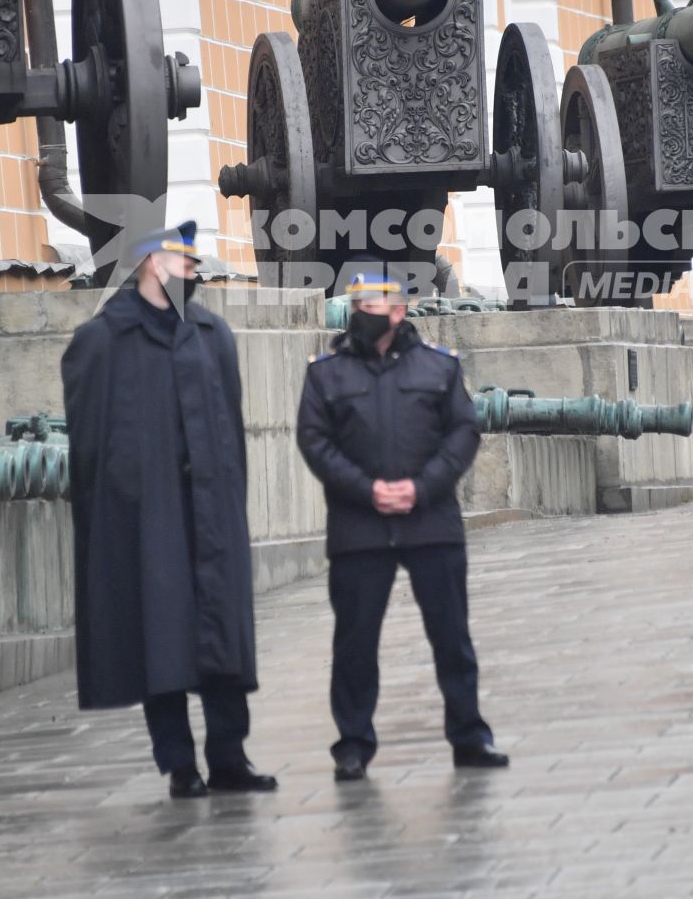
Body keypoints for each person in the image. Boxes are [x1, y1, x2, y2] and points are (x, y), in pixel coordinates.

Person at [60, 220, 277, 800]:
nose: (194, 270)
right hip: (146, 519)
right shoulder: (103, 342)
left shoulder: (212, 334)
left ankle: (230, 757)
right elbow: (89, 448)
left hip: (212, 511)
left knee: (222, 640)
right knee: (161, 640)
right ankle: (179, 764)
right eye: (184, 262)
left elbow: (231, 427)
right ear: (153, 264)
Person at [296, 269, 510, 781]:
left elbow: (462, 432)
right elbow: (314, 441)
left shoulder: (438, 367)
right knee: (354, 644)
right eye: (356, 305)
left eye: (370, 306)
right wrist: (367, 490)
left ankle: (469, 737)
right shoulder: (326, 373)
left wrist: (422, 486)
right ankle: (352, 744)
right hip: (359, 527)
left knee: (451, 637)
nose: (359, 315)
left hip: (430, 521)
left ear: (398, 311)